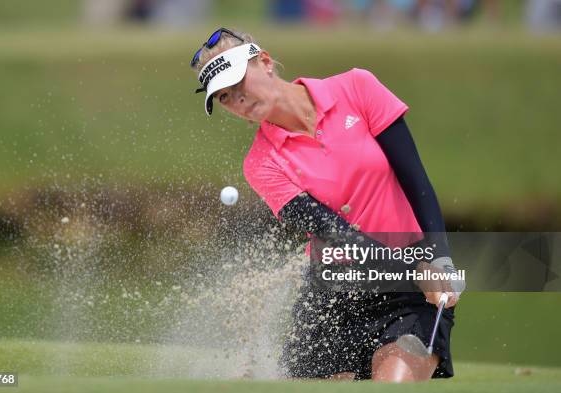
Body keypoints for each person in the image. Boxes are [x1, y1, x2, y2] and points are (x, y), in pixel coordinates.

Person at [190, 28, 461, 382]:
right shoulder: (261, 163)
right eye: (225, 97)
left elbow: (416, 180)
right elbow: (336, 233)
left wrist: (437, 256)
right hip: (332, 295)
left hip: (406, 294)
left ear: (266, 62)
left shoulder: (356, 87)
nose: (238, 100)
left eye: (239, 83)